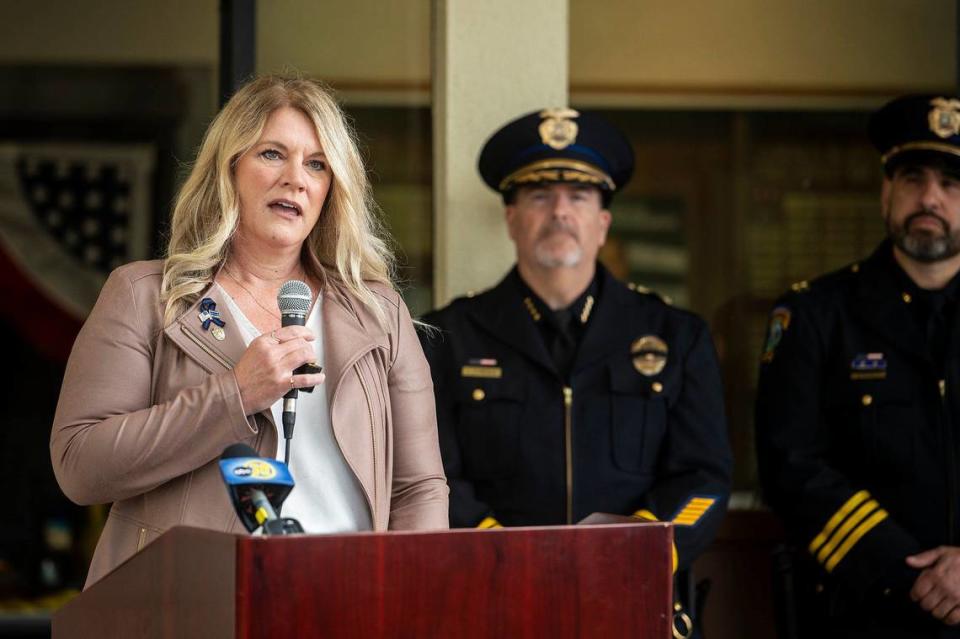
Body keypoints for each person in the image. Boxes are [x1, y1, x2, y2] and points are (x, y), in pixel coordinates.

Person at [50, 75, 448, 588]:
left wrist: (410, 601)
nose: (295, 179)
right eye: (272, 154)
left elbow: (418, 489)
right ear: (229, 166)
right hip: (184, 606)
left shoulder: (379, 314)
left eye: (316, 164)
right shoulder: (145, 296)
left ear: (331, 189)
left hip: (342, 602)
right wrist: (234, 396)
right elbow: (80, 465)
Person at [419, 108, 732, 598]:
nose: (560, 211)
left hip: (633, 593)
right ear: (511, 220)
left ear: (603, 224)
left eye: (579, 197)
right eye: (540, 196)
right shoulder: (447, 337)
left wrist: (641, 549)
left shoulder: (677, 335)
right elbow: (432, 475)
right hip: (494, 594)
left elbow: (704, 476)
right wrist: (503, 557)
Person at [756, 94, 960, 638]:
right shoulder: (815, 314)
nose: (930, 198)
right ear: (886, 192)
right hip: (863, 608)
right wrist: (910, 571)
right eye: (913, 178)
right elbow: (789, 465)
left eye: (951, 183)